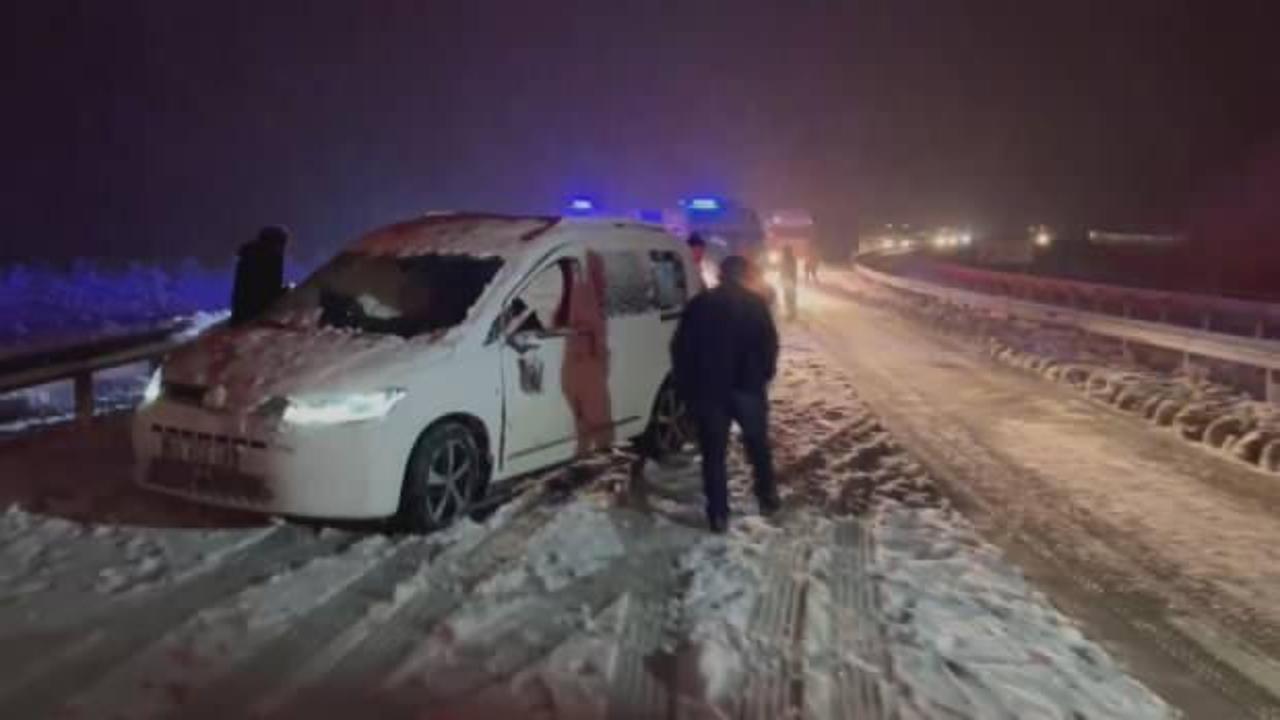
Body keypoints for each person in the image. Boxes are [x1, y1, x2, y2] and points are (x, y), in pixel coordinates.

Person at [671, 255, 781, 533]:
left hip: (709, 391)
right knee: (757, 446)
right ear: (743, 275)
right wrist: (762, 376)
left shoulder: (699, 305)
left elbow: (681, 348)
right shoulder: (755, 304)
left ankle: (718, 513)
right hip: (747, 388)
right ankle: (767, 496)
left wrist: (687, 388)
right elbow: (770, 345)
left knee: (713, 454)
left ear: (720, 275)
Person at [231, 226, 289, 325]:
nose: (284, 247)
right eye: (283, 242)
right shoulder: (270, 256)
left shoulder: (250, 254)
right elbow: (267, 288)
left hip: (242, 312)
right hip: (254, 312)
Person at [779, 245, 799, 319]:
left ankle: (792, 313)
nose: (784, 252)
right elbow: (781, 270)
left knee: (790, 297)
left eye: (785, 251)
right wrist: (781, 278)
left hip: (790, 280)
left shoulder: (791, 259)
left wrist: (794, 280)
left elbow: (793, 271)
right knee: (787, 297)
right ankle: (790, 312)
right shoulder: (784, 259)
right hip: (786, 280)